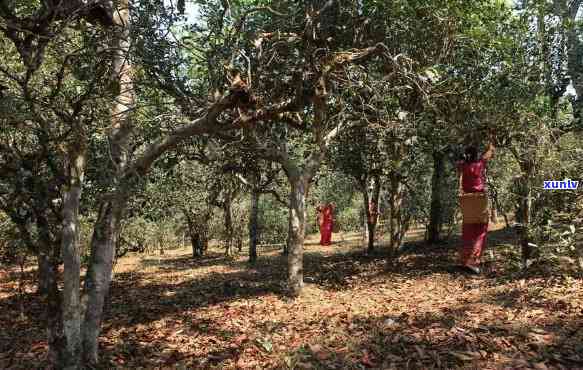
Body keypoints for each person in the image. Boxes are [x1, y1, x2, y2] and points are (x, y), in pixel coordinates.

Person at [457, 134, 495, 274]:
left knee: (467, 230)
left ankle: (465, 260)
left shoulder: (462, 165)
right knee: (480, 231)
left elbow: (459, 160)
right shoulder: (480, 164)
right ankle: (474, 261)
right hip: (479, 199)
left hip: (467, 200)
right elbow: (489, 152)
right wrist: (491, 138)